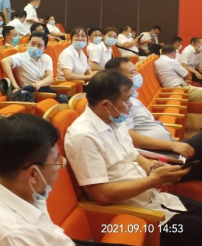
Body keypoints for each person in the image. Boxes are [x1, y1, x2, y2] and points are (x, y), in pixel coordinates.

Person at [65, 70, 202, 246]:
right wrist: (154, 180)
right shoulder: (83, 137)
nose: (131, 105)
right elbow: (102, 195)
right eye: (127, 99)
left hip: (153, 198)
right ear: (106, 104)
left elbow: (132, 154)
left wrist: (153, 168)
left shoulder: (114, 119)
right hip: (138, 217)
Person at [0, 114, 79, 246]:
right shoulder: (14, 237)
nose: (59, 167)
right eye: (56, 162)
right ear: (32, 174)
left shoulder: (19, 189)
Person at [106, 56, 202, 179]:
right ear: (118, 77)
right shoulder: (120, 104)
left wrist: (172, 141)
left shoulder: (131, 97)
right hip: (157, 153)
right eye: (133, 73)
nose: (138, 75)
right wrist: (171, 145)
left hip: (166, 147)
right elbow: (130, 138)